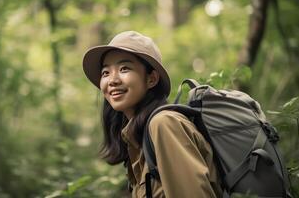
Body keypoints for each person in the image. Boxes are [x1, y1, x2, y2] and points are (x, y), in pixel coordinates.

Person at [82, 31, 221, 198]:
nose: (113, 80)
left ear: (151, 79)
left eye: (124, 68)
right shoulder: (137, 139)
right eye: (106, 72)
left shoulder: (164, 124)